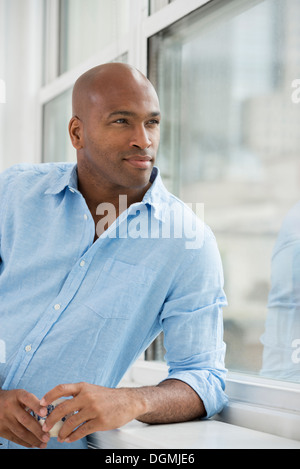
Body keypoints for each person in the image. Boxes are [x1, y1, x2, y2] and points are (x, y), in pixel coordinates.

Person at [0, 63, 228, 449]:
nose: (144, 140)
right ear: (77, 133)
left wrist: (132, 400)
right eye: (122, 121)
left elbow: (205, 377)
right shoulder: (13, 195)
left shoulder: (188, 241)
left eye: (152, 123)